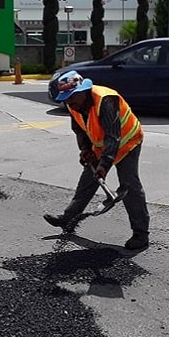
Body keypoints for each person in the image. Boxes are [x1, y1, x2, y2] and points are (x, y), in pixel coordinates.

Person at [43, 71, 150, 250]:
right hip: (101, 144)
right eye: (65, 99)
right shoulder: (73, 104)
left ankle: (141, 235)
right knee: (87, 180)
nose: (69, 103)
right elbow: (79, 129)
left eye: (71, 98)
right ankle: (68, 218)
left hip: (127, 141)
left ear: (82, 91)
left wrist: (104, 165)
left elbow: (113, 136)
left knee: (129, 184)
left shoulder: (106, 100)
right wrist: (85, 150)